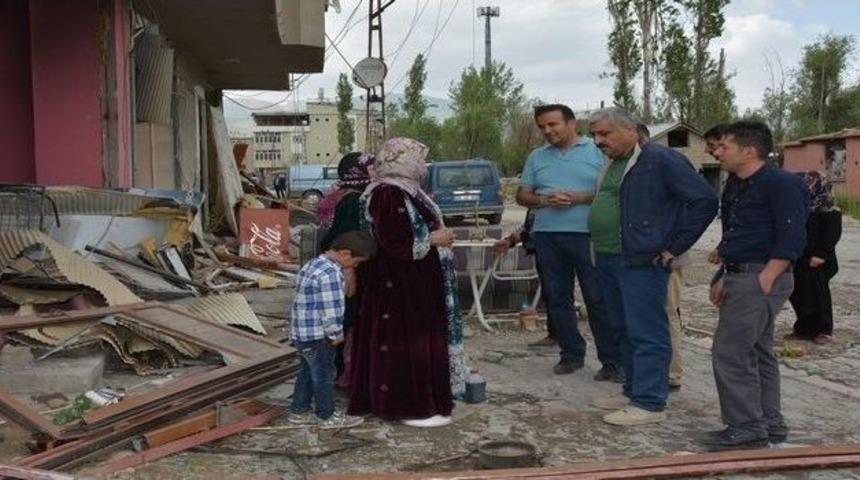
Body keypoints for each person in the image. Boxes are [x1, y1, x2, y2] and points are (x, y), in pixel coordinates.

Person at [588, 108, 717, 427]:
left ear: (630, 130)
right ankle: (632, 390)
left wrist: (674, 246)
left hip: (642, 259)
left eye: (605, 134)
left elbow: (704, 201)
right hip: (608, 256)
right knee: (622, 328)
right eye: (594, 135)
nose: (597, 141)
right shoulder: (615, 163)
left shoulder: (660, 160)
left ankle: (649, 401)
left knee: (646, 330)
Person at [348, 137, 468, 428]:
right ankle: (405, 406)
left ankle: (415, 402)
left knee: (412, 340)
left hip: (410, 282)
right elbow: (396, 242)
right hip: (399, 285)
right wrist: (435, 238)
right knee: (403, 342)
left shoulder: (404, 189)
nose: (423, 165)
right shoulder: (387, 192)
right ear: (401, 160)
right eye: (418, 158)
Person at [704, 121, 809, 449]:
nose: (717, 152)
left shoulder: (781, 184)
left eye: (725, 147)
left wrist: (767, 276)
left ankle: (746, 426)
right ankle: (768, 423)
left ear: (749, 150)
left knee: (730, 351)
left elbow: (793, 236)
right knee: (756, 349)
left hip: (761, 277)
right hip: (741, 274)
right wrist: (724, 274)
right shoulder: (736, 183)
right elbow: (737, 234)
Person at [516, 104, 622, 381]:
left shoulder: (597, 151)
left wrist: (579, 198)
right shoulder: (537, 157)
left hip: (589, 235)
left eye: (553, 125)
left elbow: (612, 191)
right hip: (548, 236)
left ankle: (611, 361)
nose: (547, 131)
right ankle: (571, 354)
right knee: (557, 298)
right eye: (542, 127)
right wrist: (543, 200)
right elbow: (522, 195)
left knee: (597, 299)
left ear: (572, 123)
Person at [287, 231, 378, 429]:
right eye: (357, 262)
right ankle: (326, 416)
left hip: (303, 333)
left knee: (306, 372)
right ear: (346, 254)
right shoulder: (331, 274)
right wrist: (336, 333)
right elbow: (331, 309)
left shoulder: (313, 264)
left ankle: (298, 410)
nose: (355, 267)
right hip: (319, 336)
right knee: (324, 375)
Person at [316, 152, 376, 386]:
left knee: (343, 319)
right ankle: (341, 373)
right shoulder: (353, 200)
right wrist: (349, 271)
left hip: (341, 265)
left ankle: (340, 371)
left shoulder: (342, 195)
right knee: (346, 320)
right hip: (346, 268)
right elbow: (346, 239)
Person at [636, 122, 685, 392]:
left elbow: (696, 205)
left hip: (664, 255)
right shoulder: (635, 165)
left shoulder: (665, 162)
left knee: (666, 313)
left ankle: (671, 374)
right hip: (642, 255)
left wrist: (672, 247)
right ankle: (651, 373)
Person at [787, 171, 842, 344]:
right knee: (797, 293)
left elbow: (832, 233)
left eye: (810, 184)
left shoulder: (828, 207)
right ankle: (804, 328)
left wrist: (821, 254)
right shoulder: (799, 205)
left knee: (818, 295)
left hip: (819, 259)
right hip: (799, 257)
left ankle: (824, 330)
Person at [493, 210, 559, 348]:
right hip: (543, 249)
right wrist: (510, 240)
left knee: (557, 293)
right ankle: (556, 335)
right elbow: (529, 225)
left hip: (556, 249)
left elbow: (540, 228)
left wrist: (518, 237)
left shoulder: (549, 196)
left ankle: (562, 338)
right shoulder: (536, 200)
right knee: (550, 292)